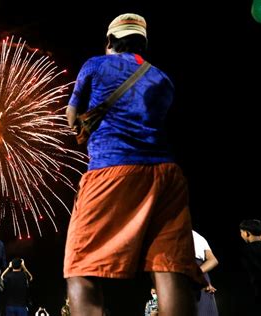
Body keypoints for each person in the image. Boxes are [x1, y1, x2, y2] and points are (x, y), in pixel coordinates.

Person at [63, 13, 207, 316]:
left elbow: (71, 116)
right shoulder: (163, 78)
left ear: (109, 41)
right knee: (169, 267)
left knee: (81, 265)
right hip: (167, 176)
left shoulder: (95, 64)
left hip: (111, 169)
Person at [192, 230, 219, 315]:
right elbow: (213, 260)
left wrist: (196, 275)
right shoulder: (198, 236)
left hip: (190, 274)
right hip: (201, 273)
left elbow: (213, 260)